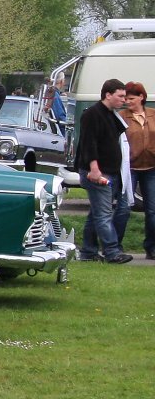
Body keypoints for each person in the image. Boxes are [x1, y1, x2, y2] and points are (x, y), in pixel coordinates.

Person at [74, 78, 131, 264]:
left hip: (111, 171)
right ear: (108, 94)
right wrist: (94, 168)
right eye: (120, 96)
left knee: (96, 214)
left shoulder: (111, 115)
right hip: (97, 172)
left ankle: (88, 251)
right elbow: (88, 143)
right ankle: (112, 252)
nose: (124, 100)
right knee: (104, 214)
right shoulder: (92, 114)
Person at [122, 82, 154, 260]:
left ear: (142, 97)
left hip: (151, 168)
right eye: (126, 99)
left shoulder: (153, 115)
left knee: (152, 210)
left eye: (131, 98)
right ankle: (115, 247)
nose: (127, 102)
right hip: (130, 169)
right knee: (124, 209)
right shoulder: (122, 117)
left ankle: (152, 247)